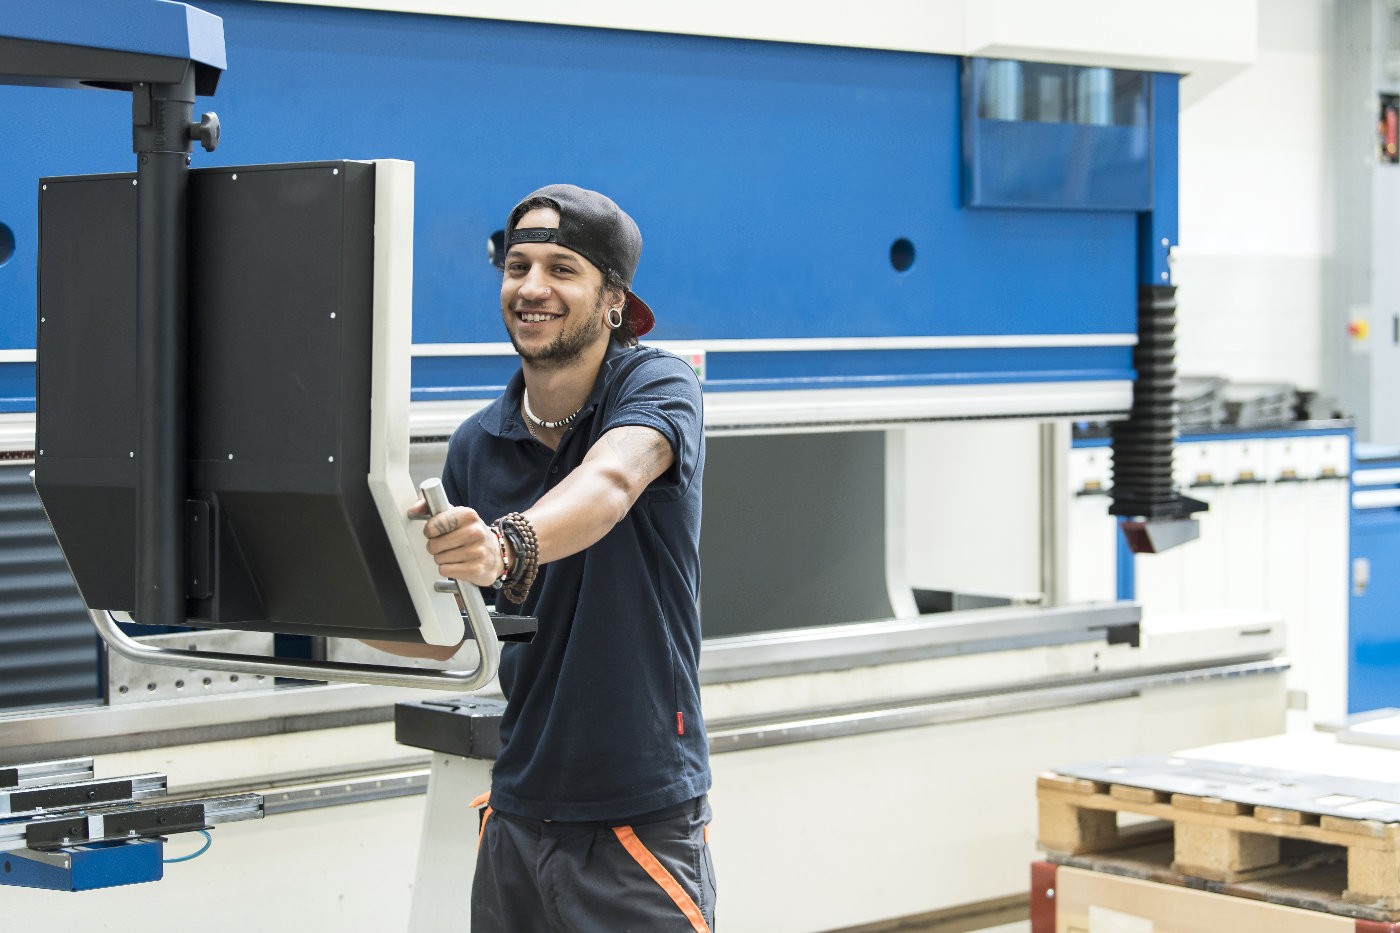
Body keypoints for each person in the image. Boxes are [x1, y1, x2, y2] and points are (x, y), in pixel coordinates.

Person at [414, 184, 715, 932]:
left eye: (561, 268)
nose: (532, 287)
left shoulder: (654, 384)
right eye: (517, 266)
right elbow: (443, 636)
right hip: (518, 809)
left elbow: (610, 484)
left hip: (637, 815)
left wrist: (506, 544)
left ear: (613, 299)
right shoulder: (476, 445)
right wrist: (337, 597)